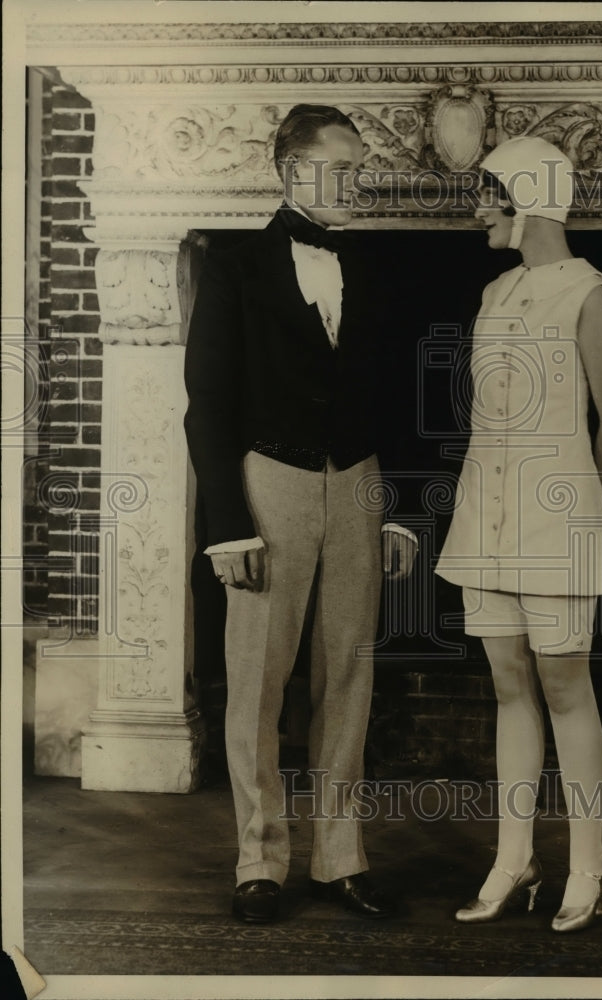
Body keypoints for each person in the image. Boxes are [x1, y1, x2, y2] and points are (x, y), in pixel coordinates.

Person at [184, 104, 417, 924]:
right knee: (256, 683)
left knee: (349, 675)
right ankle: (260, 861)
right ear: (289, 171)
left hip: (358, 481)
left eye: (360, 167)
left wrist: (399, 512)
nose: (358, 181)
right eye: (342, 166)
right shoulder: (236, 267)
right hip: (265, 486)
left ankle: (340, 857)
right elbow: (206, 404)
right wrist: (226, 524)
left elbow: (398, 394)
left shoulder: (376, 269)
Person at [435, 136, 602, 932]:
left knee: (564, 686)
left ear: (528, 198)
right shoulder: (493, 293)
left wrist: (586, 517)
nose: (479, 208)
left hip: (559, 514)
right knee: (508, 685)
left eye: (490, 193)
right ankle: (514, 860)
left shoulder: (589, 292)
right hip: (486, 506)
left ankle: (589, 866)